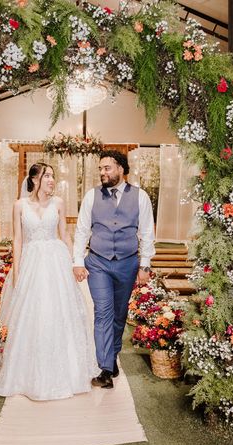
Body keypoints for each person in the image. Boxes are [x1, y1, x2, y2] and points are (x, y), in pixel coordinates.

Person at [0, 162, 99, 400]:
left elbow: (65, 234)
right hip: (30, 262)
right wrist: (17, 271)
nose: (51, 180)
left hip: (56, 261)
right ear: (34, 179)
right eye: (47, 176)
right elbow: (17, 241)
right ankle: (25, 371)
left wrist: (75, 262)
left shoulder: (58, 203)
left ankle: (67, 370)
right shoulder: (19, 205)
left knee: (57, 311)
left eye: (52, 176)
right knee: (31, 313)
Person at [73, 150, 155, 389]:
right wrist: (78, 261)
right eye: (100, 168)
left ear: (121, 169)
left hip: (127, 263)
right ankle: (106, 368)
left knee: (119, 315)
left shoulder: (141, 197)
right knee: (103, 312)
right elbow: (81, 231)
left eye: (107, 168)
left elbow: (147, 234)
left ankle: (112, 354)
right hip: (98, 262)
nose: (102, 173)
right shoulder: (92, 196)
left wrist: (145, 265)